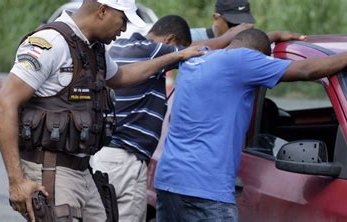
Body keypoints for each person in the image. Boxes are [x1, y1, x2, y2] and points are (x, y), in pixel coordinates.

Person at [0, 0, 203, 221]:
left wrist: (176, 56)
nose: (123, 29)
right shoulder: (51, 43)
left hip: (83, 170)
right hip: (52, 170)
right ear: (102, 11)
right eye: (122, 20)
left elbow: (122, 76)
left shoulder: (94, 49)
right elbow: (4, 106)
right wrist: (16, 181)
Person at [154, 28, 347, 221]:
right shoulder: (243, 60)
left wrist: (271, 37)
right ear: (257, 55)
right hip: (205, 189)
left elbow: (240, 43)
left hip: (168, 181)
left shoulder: (196, 57)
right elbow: (307, 69)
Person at [88, 14, 274, 221]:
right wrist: (254, 37)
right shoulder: (151, 50)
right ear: (170, 41)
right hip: (124, 159)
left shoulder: (122, 46)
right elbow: (199, 50)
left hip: (103, 156)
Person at [190, 0, 256, 41]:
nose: (238, 29)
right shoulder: (193, 36)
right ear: (216, 17)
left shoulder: (247, 44)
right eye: (233, 24)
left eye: (243, 24)